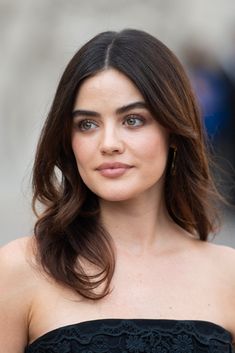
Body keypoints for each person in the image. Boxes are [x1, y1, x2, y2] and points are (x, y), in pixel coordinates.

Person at [0, 29, 235, 353]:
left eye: (133, 120)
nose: (108, 143)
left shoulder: (228, 274)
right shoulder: (21, 268)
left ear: (173, 130)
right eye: (87, 124)